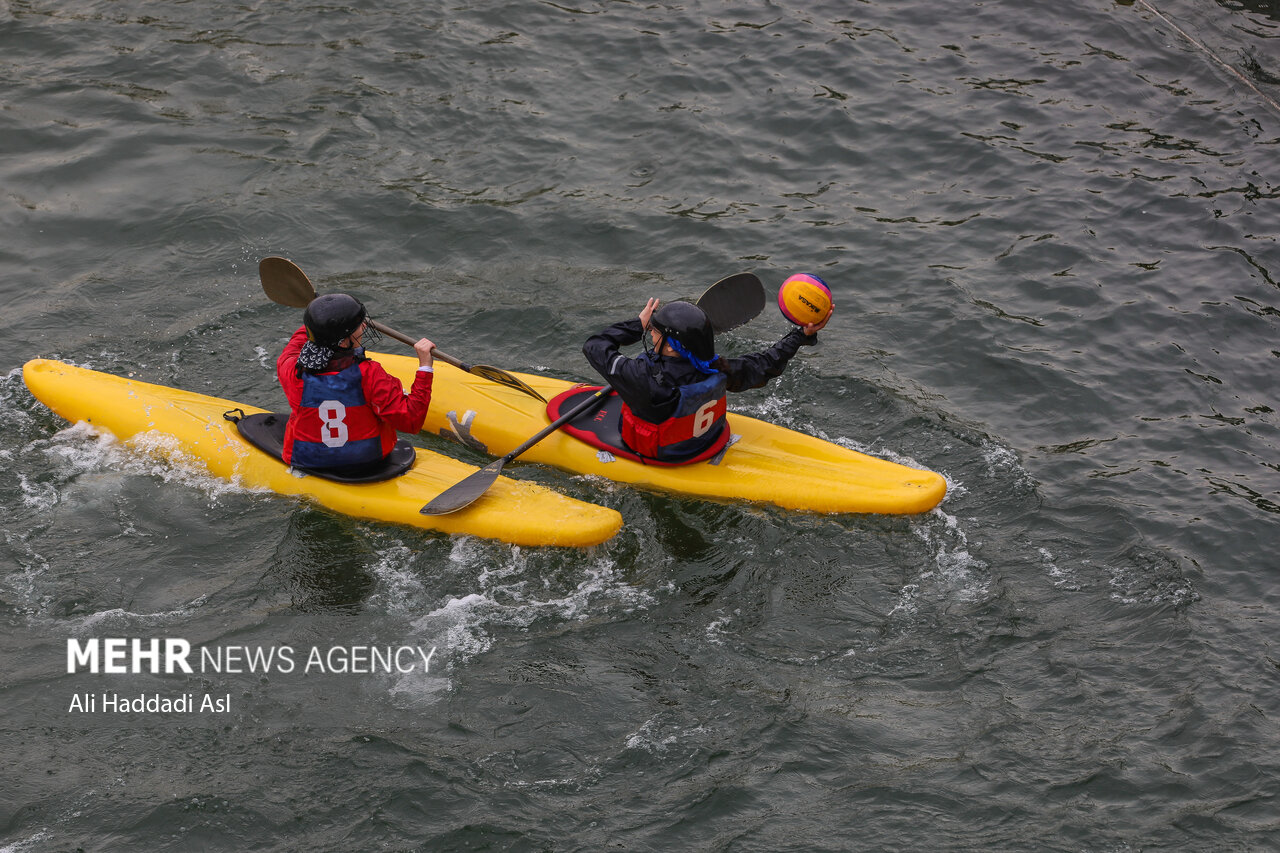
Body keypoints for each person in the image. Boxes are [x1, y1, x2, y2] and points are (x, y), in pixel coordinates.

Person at [583, 294, 832, 463]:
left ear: (671, 347)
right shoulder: (717, 368)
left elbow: (595, 346)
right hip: (708, 441)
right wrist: (802, 334)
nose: (651, 332)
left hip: (665, 455)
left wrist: (637, 325)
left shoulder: (641, 378)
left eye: (655, 331)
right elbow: (766, 364)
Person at [277, 293, 436, 470]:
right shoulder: (369, 374)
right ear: (344, 343)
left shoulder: (291, 370)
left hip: (307, 461)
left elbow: (297, 343)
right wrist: (425, 367)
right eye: (359, 326)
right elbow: (411, 421)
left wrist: (320, 317)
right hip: (368, 461)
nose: (364, 325)